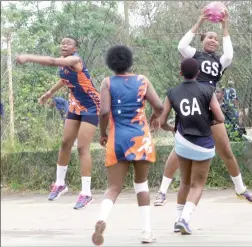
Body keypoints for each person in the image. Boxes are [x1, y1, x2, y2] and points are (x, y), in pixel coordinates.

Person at [154, 10, 252, 207]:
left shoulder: (220, 61)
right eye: (209, 37)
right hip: (191, 105)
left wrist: (225, 25)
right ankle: (162, 192)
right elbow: (181, 45)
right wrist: (199, 20)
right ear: (202, 40)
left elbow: (229, 54)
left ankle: (240, 188)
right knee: (178, 152)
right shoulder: (195, 55)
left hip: (209, 107)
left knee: (226, 150)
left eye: (216, 39)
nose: (213, 40)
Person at [16, 36, 100, 210]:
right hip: (76, 105)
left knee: (82, 147)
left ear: (75, 48)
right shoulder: (64, 63)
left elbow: (52, 61)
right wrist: (49, 93)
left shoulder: (75, 60)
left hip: (91, 106)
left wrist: (28, 57)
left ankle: (86, 193)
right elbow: (65, 79)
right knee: (65, 143)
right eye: (62, 43)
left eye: (68, 43)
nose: (64, 45)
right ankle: (60, 183)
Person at [92, 45, 163, 246]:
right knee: (141, 185)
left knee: (113, 187)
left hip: (118, 140)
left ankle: (102, 219)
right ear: (129, 61)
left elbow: (104, 112)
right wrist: (154, 118)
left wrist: (103, 133)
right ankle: (147, 232)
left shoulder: (107, 83)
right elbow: (158, 106)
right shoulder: (142, 80)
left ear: (111, 63)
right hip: (141, 138)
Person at [161, 58, 225, 234]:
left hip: (182, 142)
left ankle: (177, 220)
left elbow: (162, 122)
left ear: (180, 73)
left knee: (185, 182)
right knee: (197, 185)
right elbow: (220, 118)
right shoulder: (208, 90)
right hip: (203, 143)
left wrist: (172, 129)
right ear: (198, 73)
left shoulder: (172, 92)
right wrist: (206, 121)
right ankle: (185, 219)